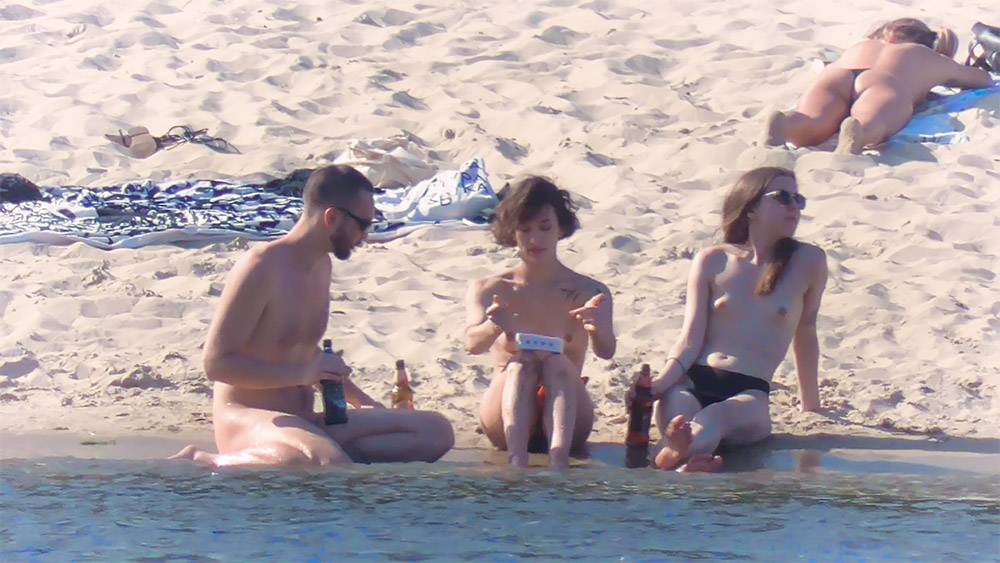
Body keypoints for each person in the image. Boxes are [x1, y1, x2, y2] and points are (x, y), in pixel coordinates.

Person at [172, 165, 454, 467]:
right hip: (247, 418)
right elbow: (216, 364)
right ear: (332, 218)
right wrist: (302, 375)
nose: (365, 237)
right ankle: (204, 460)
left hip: (305, 421)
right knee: (325, 461)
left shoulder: (321, 266)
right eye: (362, 225)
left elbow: (299, 347)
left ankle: (313, 455)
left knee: (435, 432)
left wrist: (363, 402)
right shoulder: (261, 267)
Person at [635, 167, 827, 472]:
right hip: (693, 377)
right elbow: (689, 338)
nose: (794, 206)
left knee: (715, 418)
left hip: (750, 391)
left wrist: (811, 403)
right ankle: (683, 465)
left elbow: (806, 329)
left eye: (798, 199)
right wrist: (660, 384)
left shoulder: (809, 261)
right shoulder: (714, 259)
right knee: (680, 418)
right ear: (750, 208)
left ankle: (666, 466)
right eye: (783, 197)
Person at [464, 177, 616, 471]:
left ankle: (559, 461)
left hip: (567, 411)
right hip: (504, 411)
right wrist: (494, 326)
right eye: (525, 230)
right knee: (522, 362)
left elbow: (606, 351)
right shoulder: (491, 288)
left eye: (545, 228)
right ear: (512, 233)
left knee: (558, 364)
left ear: (561, 228)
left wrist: (597, 329)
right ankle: (517, 461)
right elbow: (472, 344)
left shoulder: (589, 291)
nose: (535, 240)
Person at [762, 18, 994, 154]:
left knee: (811, 119)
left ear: (890, 34)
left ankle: (787, 123)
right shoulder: (926, 57)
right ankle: (859, 131)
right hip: (885, 82)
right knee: (873, 118)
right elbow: (979, 79)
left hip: (837, 74)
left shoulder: (862, 46)